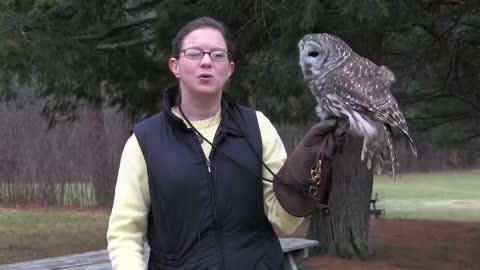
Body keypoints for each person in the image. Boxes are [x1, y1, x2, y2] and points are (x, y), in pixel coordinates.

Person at [107, 16, 347, 270]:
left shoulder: (257, 127)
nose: (207, 61)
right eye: (194, 53)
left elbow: (285, 222)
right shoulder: (144, 141)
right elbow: (124, 234)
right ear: (175, 66)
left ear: (230, 69)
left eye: (218, 55)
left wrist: (303, 177)